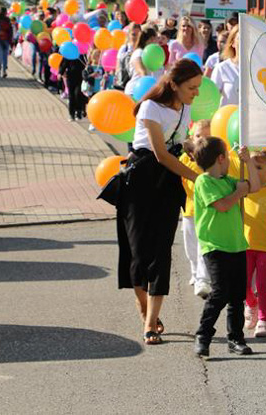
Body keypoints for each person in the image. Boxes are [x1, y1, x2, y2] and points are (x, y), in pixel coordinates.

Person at [116, 59, 202, 345]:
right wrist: (195, 176)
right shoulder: (150, 108)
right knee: (137, 253)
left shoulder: (186, 107)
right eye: (192, 87)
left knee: (161, 252)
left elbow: (180, 143)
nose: (196, 93)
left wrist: (201, 149)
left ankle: (151, 323)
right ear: (174, 85)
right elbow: (160, 154)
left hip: (168, 184)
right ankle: (143, 307)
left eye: (198, 87)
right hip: (142, 178)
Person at [192, 137, 260, 357]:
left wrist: (248, 162)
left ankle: (236, 338)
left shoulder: (231, 180)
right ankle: (203, 335)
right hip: (215, 247)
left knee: (237, 296)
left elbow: (256, 185)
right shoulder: (204, 181)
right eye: (227, 155)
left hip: (237, 245)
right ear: (221, 158)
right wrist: (239, 193)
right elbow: (221, 205)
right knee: (220, 293)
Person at [242, 151, 266, 338]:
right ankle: (251, 303)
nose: (254, 171)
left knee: (263, 284)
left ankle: (264, 319)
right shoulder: (244, 189)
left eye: (259, 168)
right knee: (242, 282)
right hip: (245, 245)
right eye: (252, 167)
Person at [180, 120, 212, 299]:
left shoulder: (213, 160)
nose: (202, 140)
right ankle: (194, 271)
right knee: (190, 245)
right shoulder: (185, 159)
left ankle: (203, 278)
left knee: (202, 245)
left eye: (207, 136)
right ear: (192, 137)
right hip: (189, 209)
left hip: (206, 211)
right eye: (199, 136)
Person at [124, 27, 162, 98]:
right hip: (135, 91)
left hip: (150, 92)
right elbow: (141, 71)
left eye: (156, 38)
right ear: (147, 40)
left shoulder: (156, 55)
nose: (156, 41)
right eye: (153, 39)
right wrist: (148, 85)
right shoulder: (139, 52)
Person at [211, 25, 239, 107]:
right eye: (240, 39)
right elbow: (212, 99)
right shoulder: (222, 68)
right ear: (233, 43)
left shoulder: (257, 69)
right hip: (227, 118)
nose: (244, 42)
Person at [59, 51, 87, 121]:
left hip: (81, 77)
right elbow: (63, 63)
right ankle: (71, 114)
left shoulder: (83, 53)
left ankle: (79, 111)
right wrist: (60, 72)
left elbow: (87, 62)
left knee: (78, 94)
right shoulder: (69, 52)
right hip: (71, 77)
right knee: (71, 96)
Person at [115, 23, 141, 90]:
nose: (136, 37)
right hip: (125, 82)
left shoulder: (142, 48)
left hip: (138, 82)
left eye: (138, 35)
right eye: (133, 34)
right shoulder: (124, 48)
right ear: (129, 35)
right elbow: (118, 65)